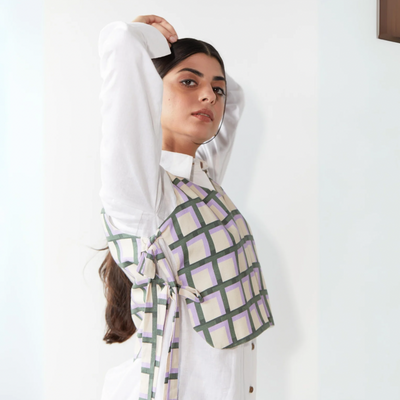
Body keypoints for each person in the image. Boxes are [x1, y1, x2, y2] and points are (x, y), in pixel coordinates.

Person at [97, 14, 275, 400]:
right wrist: (148, 41)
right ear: (150, 90)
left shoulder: (202, 178)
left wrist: (201, 73)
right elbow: (122, 43)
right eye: (189, 82)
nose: (210, 96)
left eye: (216, 88)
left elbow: (235, 101)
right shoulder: (145, 194)